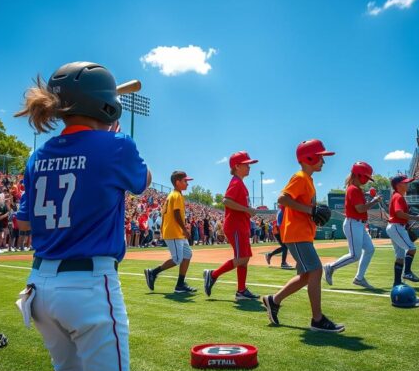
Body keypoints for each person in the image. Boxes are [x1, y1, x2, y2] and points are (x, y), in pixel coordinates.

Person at [14, 62, 150, 371]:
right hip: (88, 285)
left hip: (39, 286)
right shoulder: (117, 145)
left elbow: (24, 222)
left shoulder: (37, 154)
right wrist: (112, 138)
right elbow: (143, 183)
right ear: (106, 104)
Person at [261, 139, 344, 332]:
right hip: (296, 233)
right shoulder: (299, 177)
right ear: (309, 157)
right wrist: (310, 210)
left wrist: (311, 212)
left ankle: (273, 301)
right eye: (321, 157)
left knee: (307, 275)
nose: (323, 161)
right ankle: (317, 319)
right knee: (316, 270)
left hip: (302, 233)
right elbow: (282, 199)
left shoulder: (308, 180)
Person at [204, 151, 260, 300]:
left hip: (241, 225)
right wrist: (247, 210)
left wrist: (248, 212)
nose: (249, 167)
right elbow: (226, 201)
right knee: (242, 258)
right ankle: (213, 275)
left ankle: (241, 291)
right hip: (235, 226)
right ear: (237, 166)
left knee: (245, 258)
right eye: (246, 164)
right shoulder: (235, 182)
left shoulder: (240, 182)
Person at [323, 161, 381, 289]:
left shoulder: (356, 189)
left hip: (358, 224)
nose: (367, 180)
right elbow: (360, 209)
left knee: (370, 249)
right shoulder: (353, 189)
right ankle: (330, 267)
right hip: (353, 223)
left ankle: (359, 278)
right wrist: (374, 201)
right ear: (359, 175)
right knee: (355, 255)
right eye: (366, 177)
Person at [144, 171, 197, 293]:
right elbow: (176, 214)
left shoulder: (175, 194)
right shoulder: (176, 195)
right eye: (185, 181)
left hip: (176, 232)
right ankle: (152, 273)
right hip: (174, 232)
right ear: (177, 182)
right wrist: (184, 229)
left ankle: (180, 284)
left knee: (187, 254)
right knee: (177, 259)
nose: (187, 184)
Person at [385, 175, 419, 286]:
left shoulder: (397, 196)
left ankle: (397, 282)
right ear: (398, 185)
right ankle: (407, 272)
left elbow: (399, 215)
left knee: (400, 256)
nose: (408, 184)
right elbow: (399, 213)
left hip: (396, 226)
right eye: (405, 183)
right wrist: (415, 218)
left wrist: (407, 223)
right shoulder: (398, 196)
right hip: (396, 226)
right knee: (412, 248)